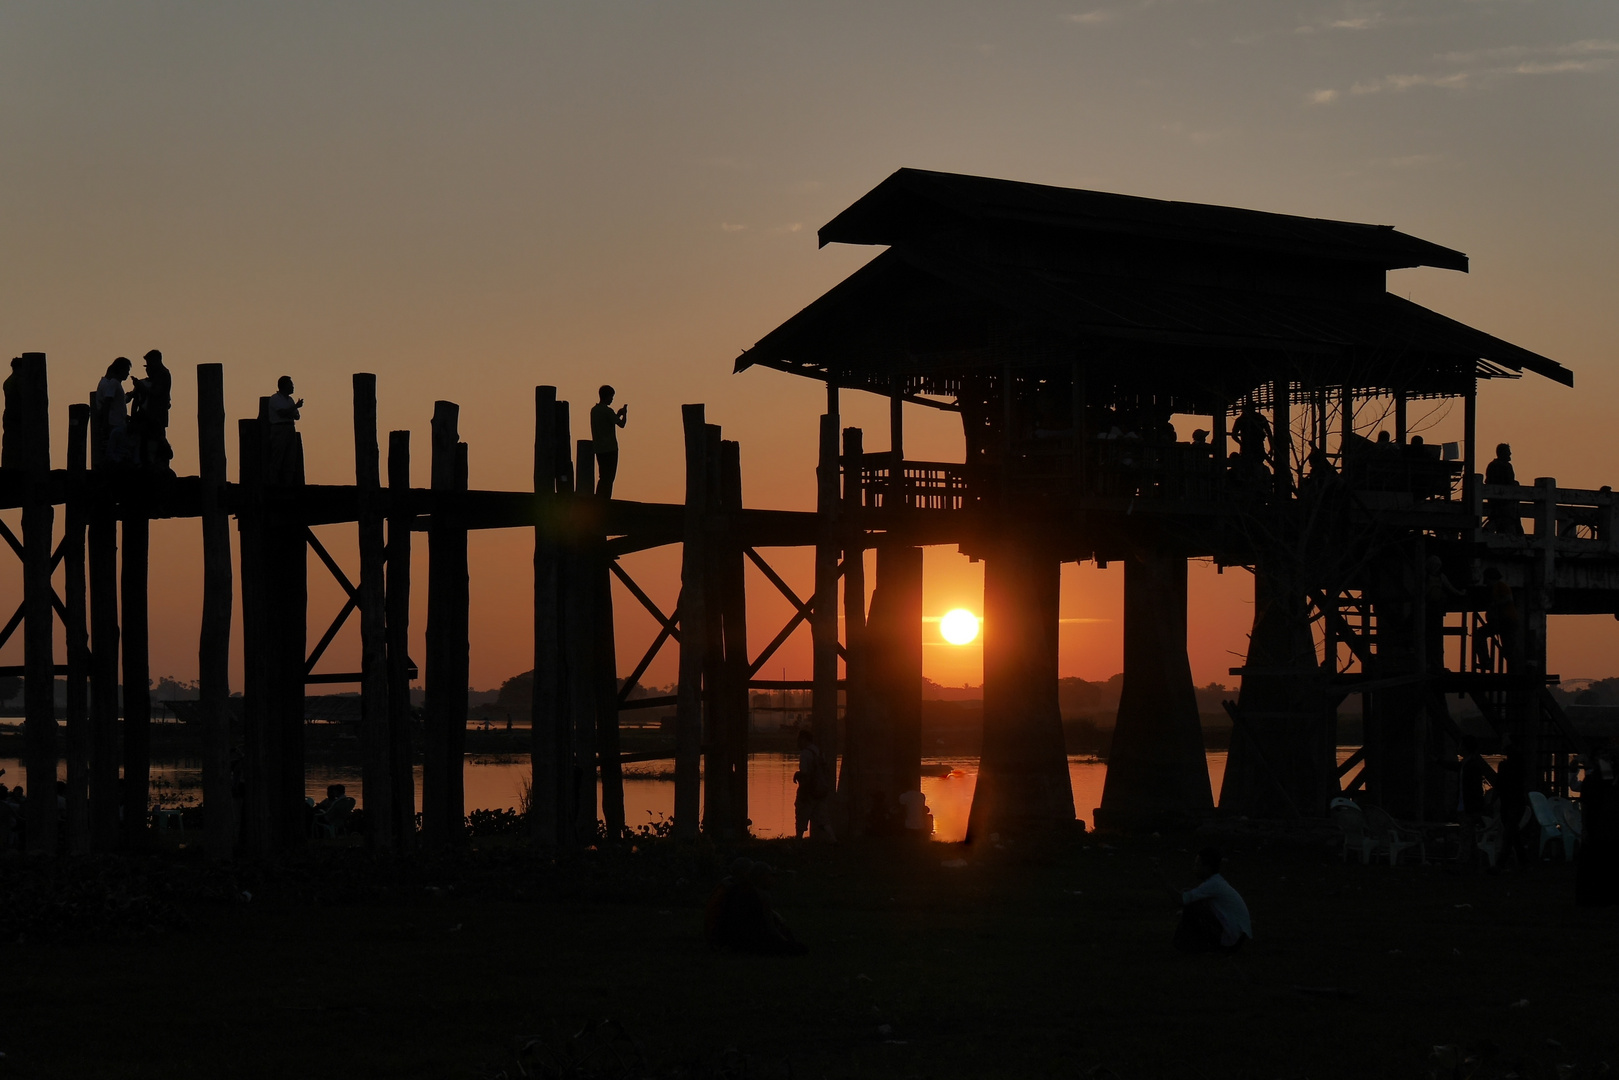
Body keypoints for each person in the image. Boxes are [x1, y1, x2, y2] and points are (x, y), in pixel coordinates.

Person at [704, 858, 807, 955]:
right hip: (747, 943)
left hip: (730, 940)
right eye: (770, 876)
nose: (773, 880)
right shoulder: (758, 894)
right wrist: (786, 942)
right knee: (799, 948)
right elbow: (769, 927)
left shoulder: (733, 889)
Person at [1162, 847, 1251, 953]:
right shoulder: (1217, 882)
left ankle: (1185, 944)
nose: (1194, 868)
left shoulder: (1213, 885)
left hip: (1231, 940)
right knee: (1192, 900)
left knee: (1192, 905)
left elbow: (1181, 899)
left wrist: (1162, 880)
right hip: (1236, 937)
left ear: (1207, 867)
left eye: (1197, 865)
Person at [130, 349, 174, 473]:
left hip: (157, 417)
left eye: (149, 364)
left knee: (156, 441)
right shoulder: (157, 376)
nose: (148, 368)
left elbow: (156, 393)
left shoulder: (163, 374)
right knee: (147, 441)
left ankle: (160, 466)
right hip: (150, 416)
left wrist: (141, 387)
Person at [793, 728, 836, 842]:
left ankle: (798, 841)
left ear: (804, 739)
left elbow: (805, 773)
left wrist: (797, 775)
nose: (797, 742)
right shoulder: (819, 752)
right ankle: (833, 840)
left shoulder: (805, 754)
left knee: (801, 815)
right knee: (823, 817)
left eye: (799, 740)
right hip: (821, 790)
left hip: (808, 791)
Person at [589, 385, 628, 498]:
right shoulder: (607, 411)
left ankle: (599, 497)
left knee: (603, 476)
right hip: (610, 448)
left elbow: (607, 422)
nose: (612, 399)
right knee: (609, 477)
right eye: (611, 397)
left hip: (599, 448)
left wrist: (617, 414)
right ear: (607, 396)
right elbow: (622, 424)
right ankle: (605, 499)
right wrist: (624, 414)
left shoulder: (594, 411)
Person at [96, 358, 136, 466]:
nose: (128, 373)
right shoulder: (113, 383)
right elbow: (107, 402)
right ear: (120, 369)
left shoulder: (114, 384)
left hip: (117, 422)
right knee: (116, 452)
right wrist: (105, 422)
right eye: (126, 370)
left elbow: (117, 403)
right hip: (114, 424)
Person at [266, 376, 304, 483]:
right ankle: (273, 482)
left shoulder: (290, 400)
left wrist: (290, 410)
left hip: (290, 428)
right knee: (278, 455)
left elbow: (296, 416)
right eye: (291, 385)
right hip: (279, 428)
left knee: (290, 456)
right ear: (284, 386)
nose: (293, 387)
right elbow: (281, 413)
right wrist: (294, 408)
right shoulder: (275, 398)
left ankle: (288, 482)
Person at [1485, 443, 1524, 535]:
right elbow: (1509, 483)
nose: (1510, 454)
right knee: (1509, 528)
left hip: (1494, 503)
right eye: (1508, 452)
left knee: (1496, 525)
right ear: (1503, 453)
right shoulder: (1506, 466)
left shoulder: (1491, 465)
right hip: (1506, 506)